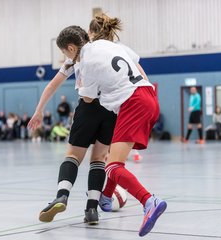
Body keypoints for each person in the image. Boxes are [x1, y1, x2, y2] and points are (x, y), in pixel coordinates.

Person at [29, 15, 149, 226]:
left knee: (73, 155)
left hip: (89, 106)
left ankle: (62, 195)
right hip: (113, 108)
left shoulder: (80, 56)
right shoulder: (116, 48)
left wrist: (39, 111)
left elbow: (55, 87)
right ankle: (92, 209)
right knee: (99, 159)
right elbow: (142, 76)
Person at [53, 26, 167, 237]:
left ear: (71, 48)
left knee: (112, 166)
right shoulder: (106, 44)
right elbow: (137, 64)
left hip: (131, 102)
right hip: (148, 95)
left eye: (65, 53)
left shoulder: (85, 63)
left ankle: (149, 201)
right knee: (115, 161)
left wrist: (81, 84)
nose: (66, 58)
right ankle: (105, 196)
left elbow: (88, 99)